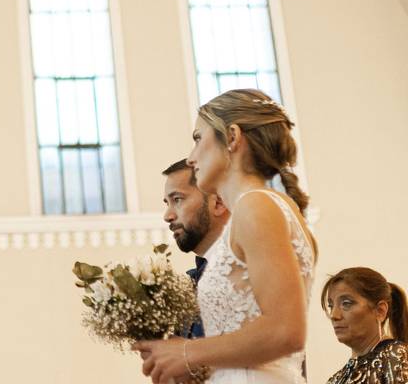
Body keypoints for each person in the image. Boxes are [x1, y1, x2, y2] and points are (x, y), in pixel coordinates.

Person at [134, 88, 317, 383]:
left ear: (232, 137)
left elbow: (287, 330)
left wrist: (187, 352)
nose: (192, 158)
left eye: (198, 139)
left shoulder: (256, 206)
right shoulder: (271, 206)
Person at [162, 158, 230, 338]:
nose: (167, 216)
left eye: (177, 199)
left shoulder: (250, 269)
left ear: (218, 203)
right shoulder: (190, 284)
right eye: (167, 203)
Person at [322, 267, 408, 383]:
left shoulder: (396, 357)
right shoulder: (337, 378)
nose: (334, 315)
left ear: (380, 311)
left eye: (346, 303)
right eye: (331, 306)